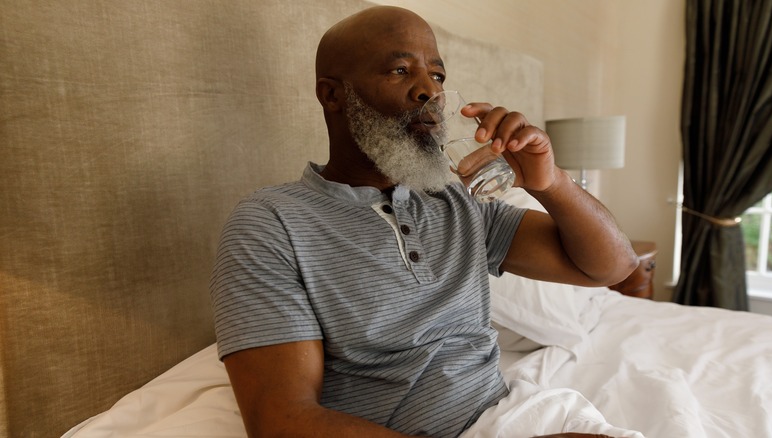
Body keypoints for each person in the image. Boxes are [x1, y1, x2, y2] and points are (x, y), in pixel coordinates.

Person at [210, 6, 638, 438]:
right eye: (400, 70)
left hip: (510, 414)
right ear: (332, 95)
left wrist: (552, 183)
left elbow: (612, 267)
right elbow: (282, 421)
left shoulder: (454, 200)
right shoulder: (272, 223)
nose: (428, 92)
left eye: (438, 76)